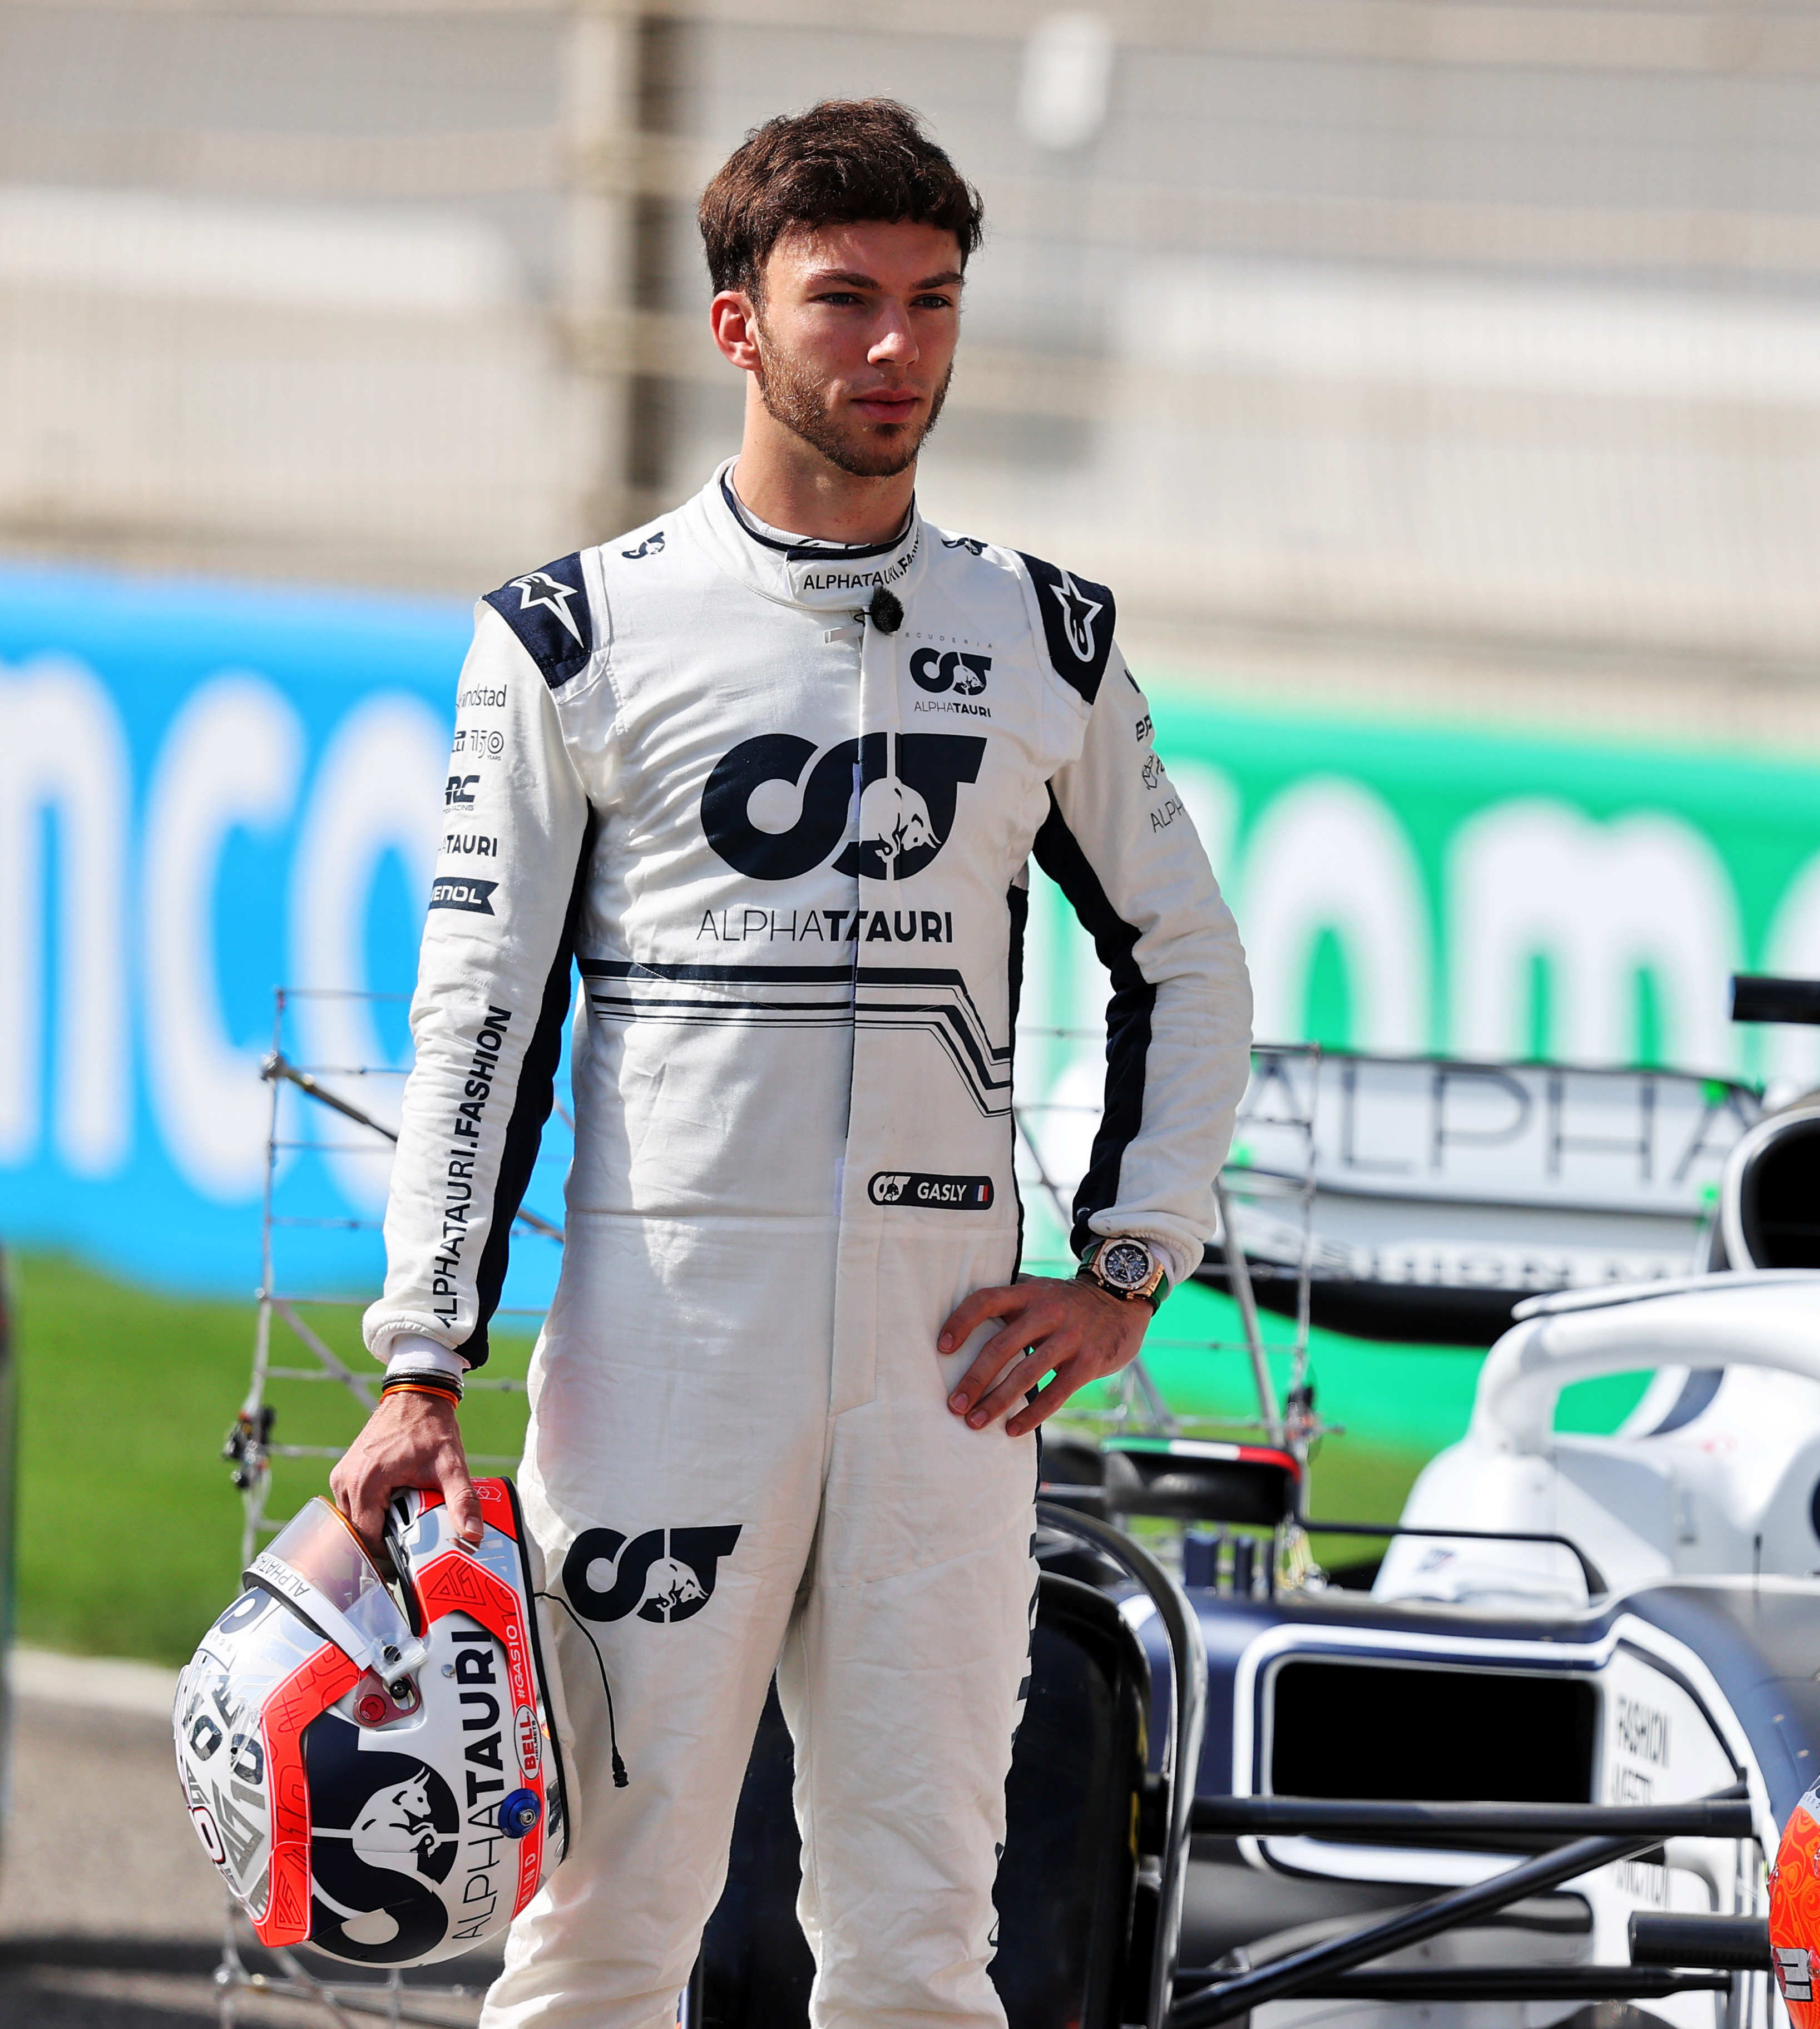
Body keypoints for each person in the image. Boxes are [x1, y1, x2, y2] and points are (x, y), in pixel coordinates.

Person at [328, 99, 1253, 2029]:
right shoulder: (575, 635)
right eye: (845, 302)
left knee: (923, 1952)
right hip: (669, 1344)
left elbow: (1188, 954)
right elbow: (478, 1011)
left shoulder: (1045, 638)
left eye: (934, 301)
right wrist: (423, 1358)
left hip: (951, 1372)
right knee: (597, 1937)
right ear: (738, 323)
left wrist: (1124, 1269)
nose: (898, 349)